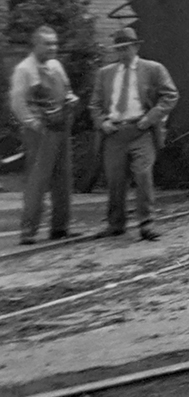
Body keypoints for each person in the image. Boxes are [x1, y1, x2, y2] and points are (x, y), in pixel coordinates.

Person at [89, 28, 179, 241]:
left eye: (127, 48)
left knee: (143, 175)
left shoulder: (153, 69)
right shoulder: (106, 73)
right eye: (119, 49)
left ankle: (146, 224)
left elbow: (171, 95)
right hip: (114, 133)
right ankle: (115, 224)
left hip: (141, 131)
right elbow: (94, 104)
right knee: (115, 180)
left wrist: (150, 118)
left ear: (136, 46)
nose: (123, 53)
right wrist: (102, 122)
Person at [9, 25, 79, 245]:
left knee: (63, 178)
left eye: (55, 43)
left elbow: (66, 90)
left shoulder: (56, 65)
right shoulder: (25, 69)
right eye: (48, 44)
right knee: (37, 181)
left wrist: (71, 99)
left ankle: (60, 228)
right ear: (36, 45)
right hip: (40, 132)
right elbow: (17, 103)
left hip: (61, 128)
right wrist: (34, 124)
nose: (53, 48)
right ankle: (28, 231)